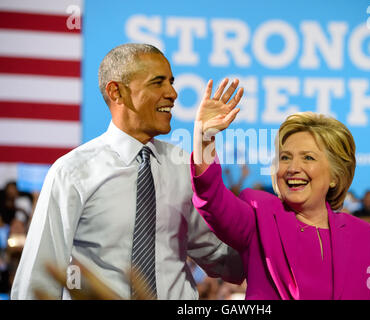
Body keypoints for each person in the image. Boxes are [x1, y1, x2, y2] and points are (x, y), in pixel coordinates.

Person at [11, 43, 244, 300]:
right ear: (117, 92)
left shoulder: (182, 166)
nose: (173, 93)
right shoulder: (72, 172)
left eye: (171, 81)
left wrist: (279, 242)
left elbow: (219, 256)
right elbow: (39, 276)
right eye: (158, 83)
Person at [191, 100, 370, 299]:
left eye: (308, 158)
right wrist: (205, 138)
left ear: (334, 176)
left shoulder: (365, 237)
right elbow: (212, 197)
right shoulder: (259, 215)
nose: (293, 168)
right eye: (285, 157)